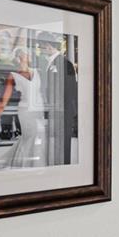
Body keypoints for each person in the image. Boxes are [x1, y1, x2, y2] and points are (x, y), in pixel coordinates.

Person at [0, 46, 47, 168]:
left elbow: (45, 92)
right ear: (17, 58)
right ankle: (27, 165)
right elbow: (3, 102)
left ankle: (34, 164)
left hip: (39, 110)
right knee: (30, 137)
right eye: (21, 55)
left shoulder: (38, 72)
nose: (24, 57)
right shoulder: (12, 76)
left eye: (26, 55)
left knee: (38, 137)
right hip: (25, 112)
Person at [39, 32, 78, 166]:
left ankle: (63, 168)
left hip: (63, 110)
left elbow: (70, 89)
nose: (41, 50)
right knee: (55, 142)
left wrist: (62, 110)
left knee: (63, 143)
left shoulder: (65, 63)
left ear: (49, 46)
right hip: (55, 109)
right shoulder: (51, 63)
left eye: (41, 47)